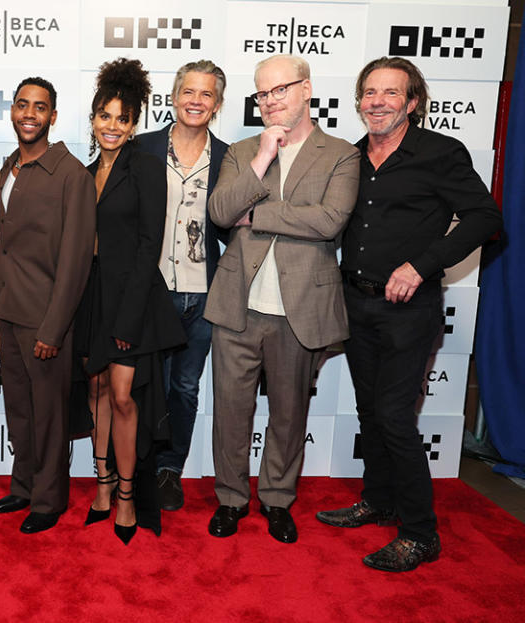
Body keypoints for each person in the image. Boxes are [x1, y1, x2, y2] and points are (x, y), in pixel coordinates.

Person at [317, 57, 501, 571]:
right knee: (371, 412)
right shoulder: (351, 157)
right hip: (356, 303)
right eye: (369, 92)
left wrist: (421, 265)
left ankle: (420, 534)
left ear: (412, 102)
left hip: (409, 310)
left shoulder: (440, 153)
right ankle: (379, 500)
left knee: (396, 416)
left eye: (390, 93)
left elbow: (486, 217)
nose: (377, 101)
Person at [205, 54, 359, 543]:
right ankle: (231, 498)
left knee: (290, 415)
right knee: (231, 411)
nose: (271, 101)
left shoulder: (341, 154)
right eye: (262, 93)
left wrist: (262, 215)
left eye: (281, 90)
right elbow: (222, 212)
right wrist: (263, 157)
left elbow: (330, 221)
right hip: (237, 306)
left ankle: (276, 499)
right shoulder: (242, 151)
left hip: (300, 311)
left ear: (307, 89)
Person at [75, 58, 186, 544]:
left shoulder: (145, 167)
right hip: (90, 297)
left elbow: (149, 245)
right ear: (93, 118)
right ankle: (100, 485)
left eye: (122, 118)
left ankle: (124, 494)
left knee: (122, 396)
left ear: (134, 122)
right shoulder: (83, 172)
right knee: (96, 392)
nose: (112, 126)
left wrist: (128, 314)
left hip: (131, 298)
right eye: (105, 116)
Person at [0, 77, 96, 534]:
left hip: (45, 318)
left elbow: (76, 261)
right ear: (12, 112)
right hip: (8, 310)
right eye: (21, 105)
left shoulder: (71, 174)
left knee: (50, 413)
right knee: (19, 409)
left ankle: (49, 499)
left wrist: (54, 330)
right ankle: (24, 484)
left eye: (39, 107)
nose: (29, 114)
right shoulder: (8, 165)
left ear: (53, 116)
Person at [136, 60, 229, 511]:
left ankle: (171, 470)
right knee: (148, 384)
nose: (196, 100)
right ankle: (142, 468)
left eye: (206, 94)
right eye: (189, 92)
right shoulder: (143, 149)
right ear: (173, 98)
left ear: (218, 104)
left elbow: (235, 227)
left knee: (187, 388)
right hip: (151, 292)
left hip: (204, 294)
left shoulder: (230, 158)